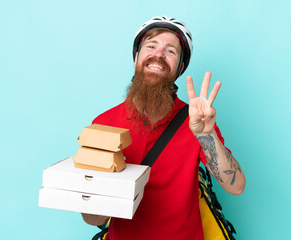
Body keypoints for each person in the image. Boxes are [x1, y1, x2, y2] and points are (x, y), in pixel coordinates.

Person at [81, 16, 246, 240]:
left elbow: (235, 186)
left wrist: (205, 136)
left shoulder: (196, 121)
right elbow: (94, 219)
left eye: (171, 51)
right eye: (151, 46)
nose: (158, 54)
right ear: (136, 58)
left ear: (180, 68)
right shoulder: (104, 123)